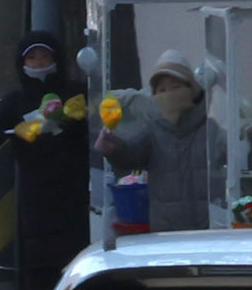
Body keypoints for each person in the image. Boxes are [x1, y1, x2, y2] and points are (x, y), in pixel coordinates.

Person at [0, 30, 90, 290]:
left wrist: (73, 121)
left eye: (45, 56)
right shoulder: (15, 101)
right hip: (35, 204)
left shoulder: (77, 92)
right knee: (42, 278)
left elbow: (100, 125)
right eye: (32, 57)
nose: (39, 63)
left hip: (77, 200)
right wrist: (13, 130)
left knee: (78, 273)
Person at [98, 49, 237, 235]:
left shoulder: (210, 128)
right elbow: (131, 155)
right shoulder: (152, 131)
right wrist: (114, 148)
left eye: (175, 87)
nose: (168, 94)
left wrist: (247, 136)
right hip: (167, 236)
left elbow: (236, 153)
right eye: (161, 90)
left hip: (209, 233)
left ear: (192, 90)